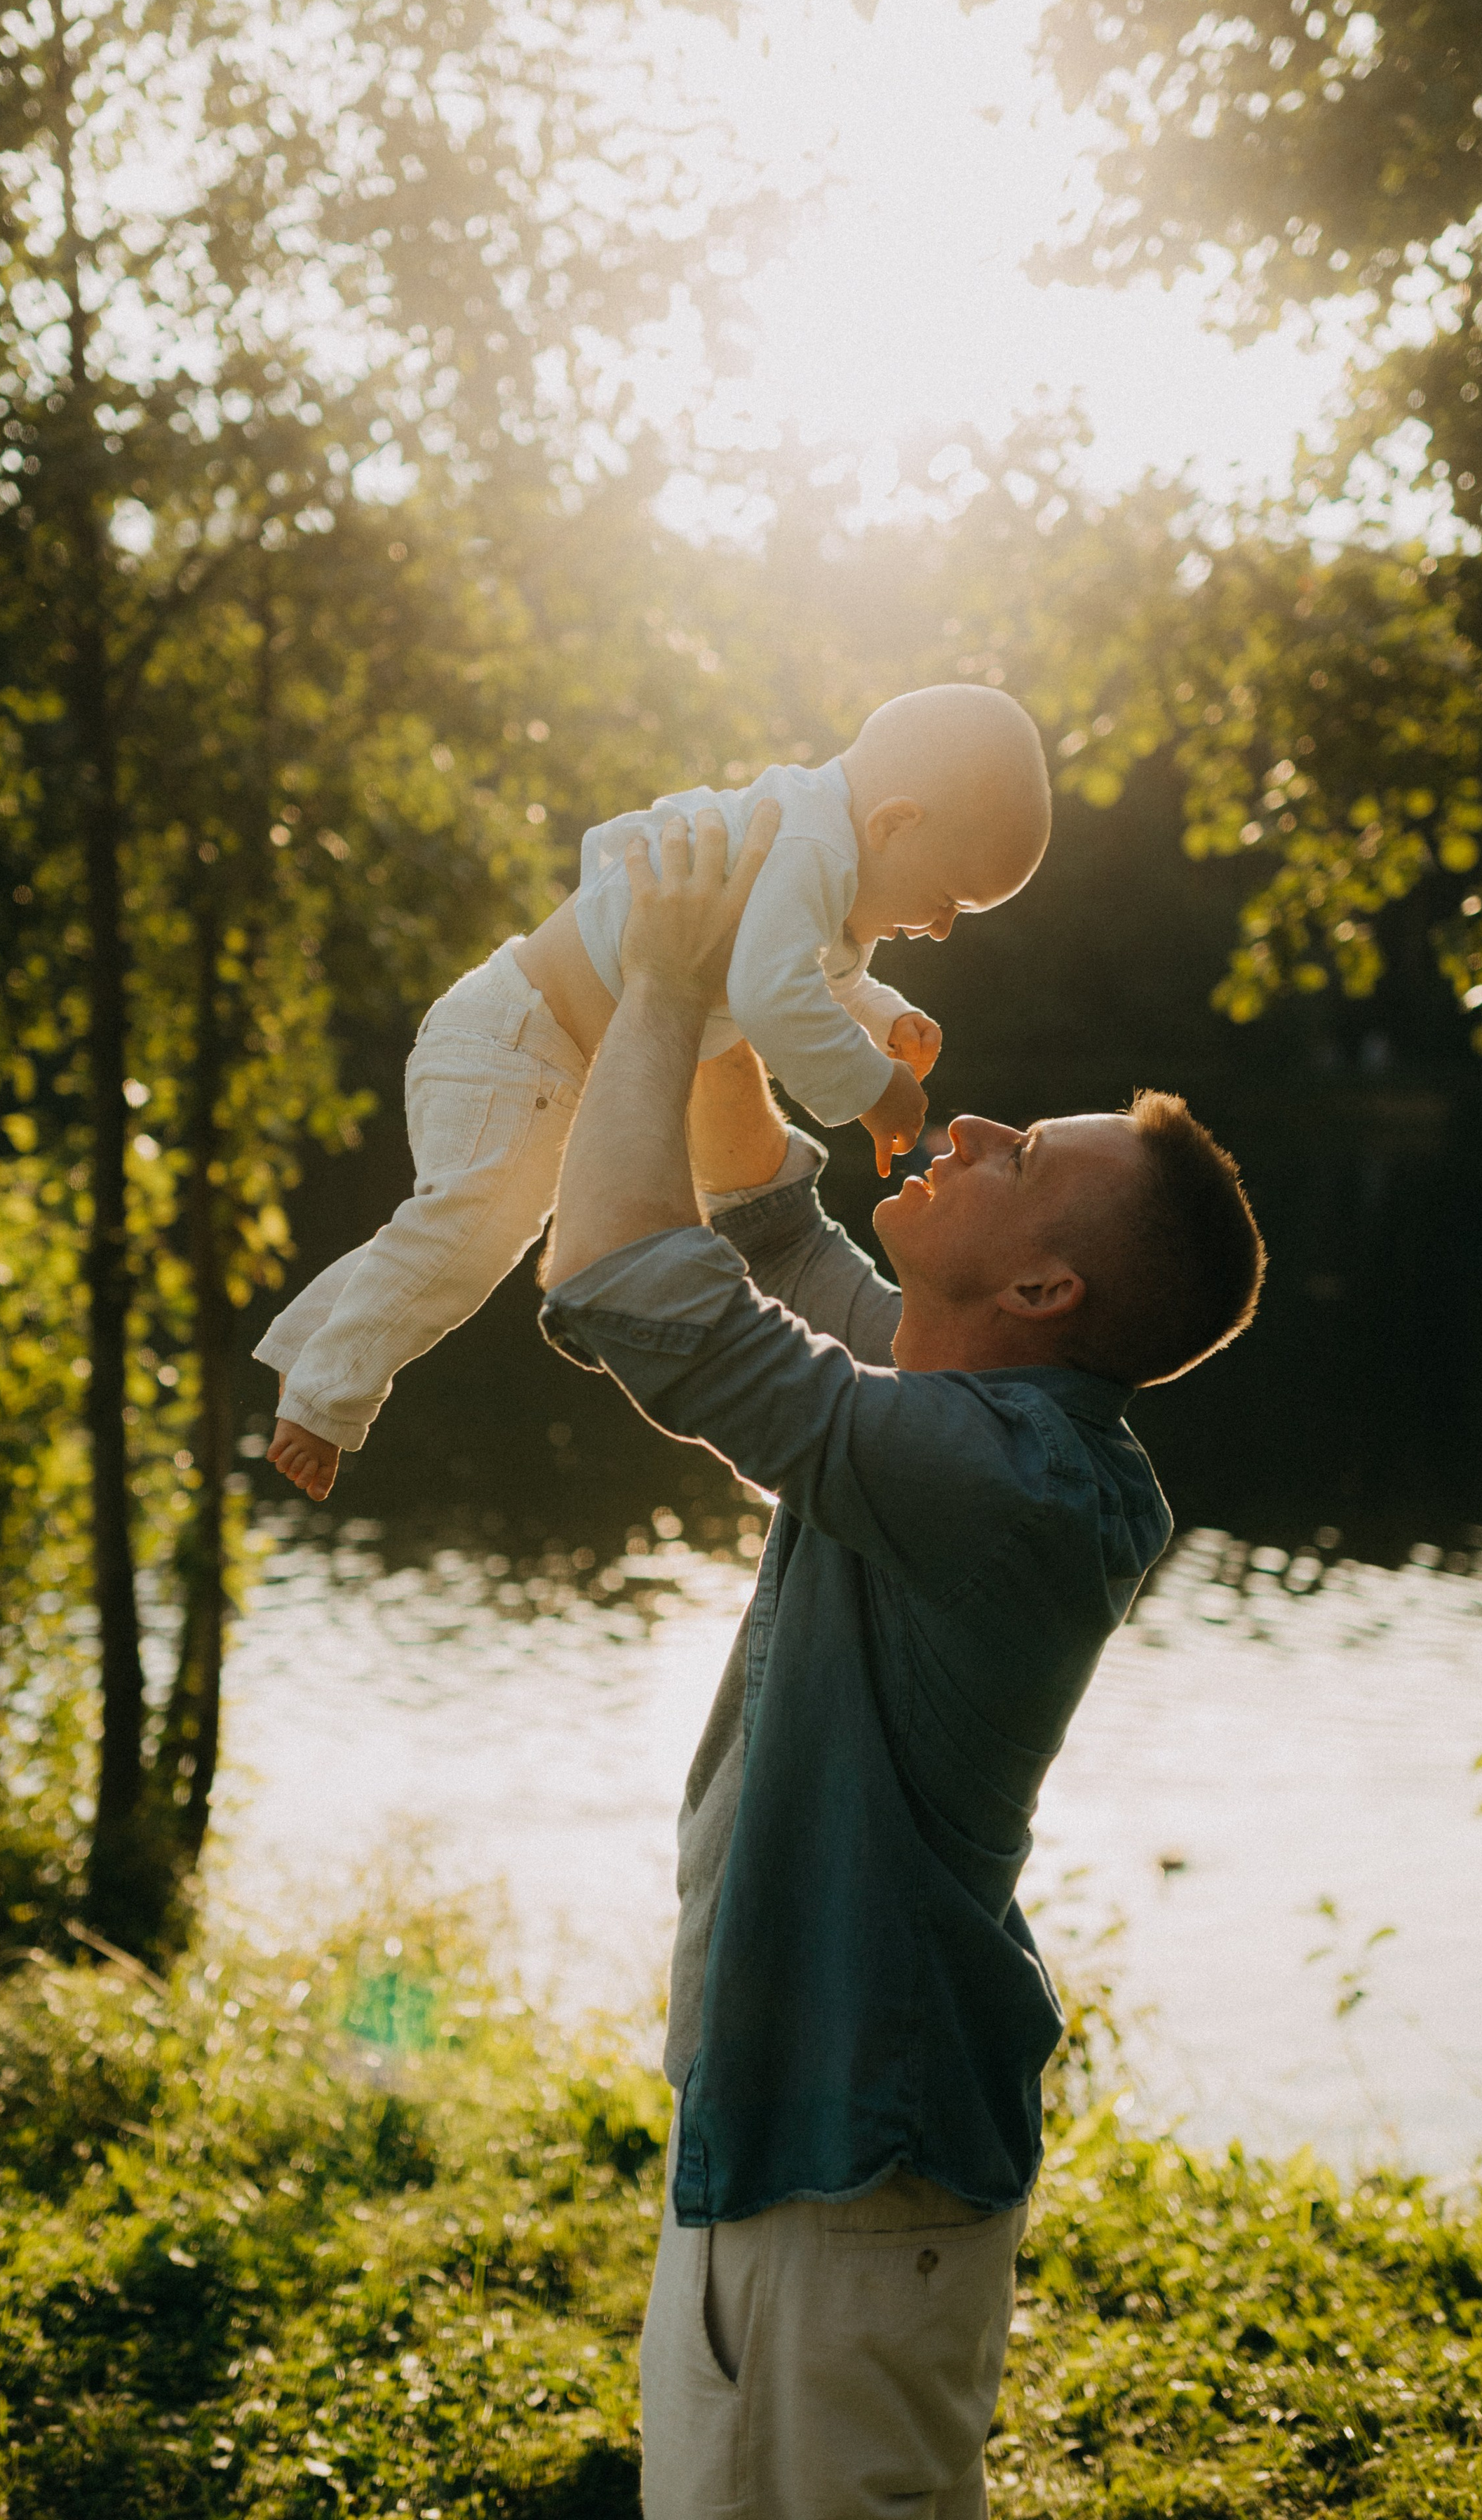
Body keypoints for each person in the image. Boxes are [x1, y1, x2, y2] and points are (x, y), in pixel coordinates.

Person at [539, 810, 1265, 2520]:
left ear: (1036, 1279)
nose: (986, 1121)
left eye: (1024, 1154)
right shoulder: (966, 1397)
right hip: (806, 2141)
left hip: (855, 2170)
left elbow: (623, 1284)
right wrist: (737, 984)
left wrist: (649, 991)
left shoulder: (1001, 1480)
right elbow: (763, 1229)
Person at [257, 684, 1051, 1499]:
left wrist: (884, 1016)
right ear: (894, 825)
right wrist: (872, 1090)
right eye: (950, 899)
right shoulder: (814, 848)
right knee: (471, 1235)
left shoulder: (815, 837)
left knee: (449, 1227)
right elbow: (774, 994)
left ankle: (305, 1349)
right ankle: (327, 1404)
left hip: (525, 1041)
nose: (945, 926)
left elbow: (803, 964)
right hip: (520, 1047)